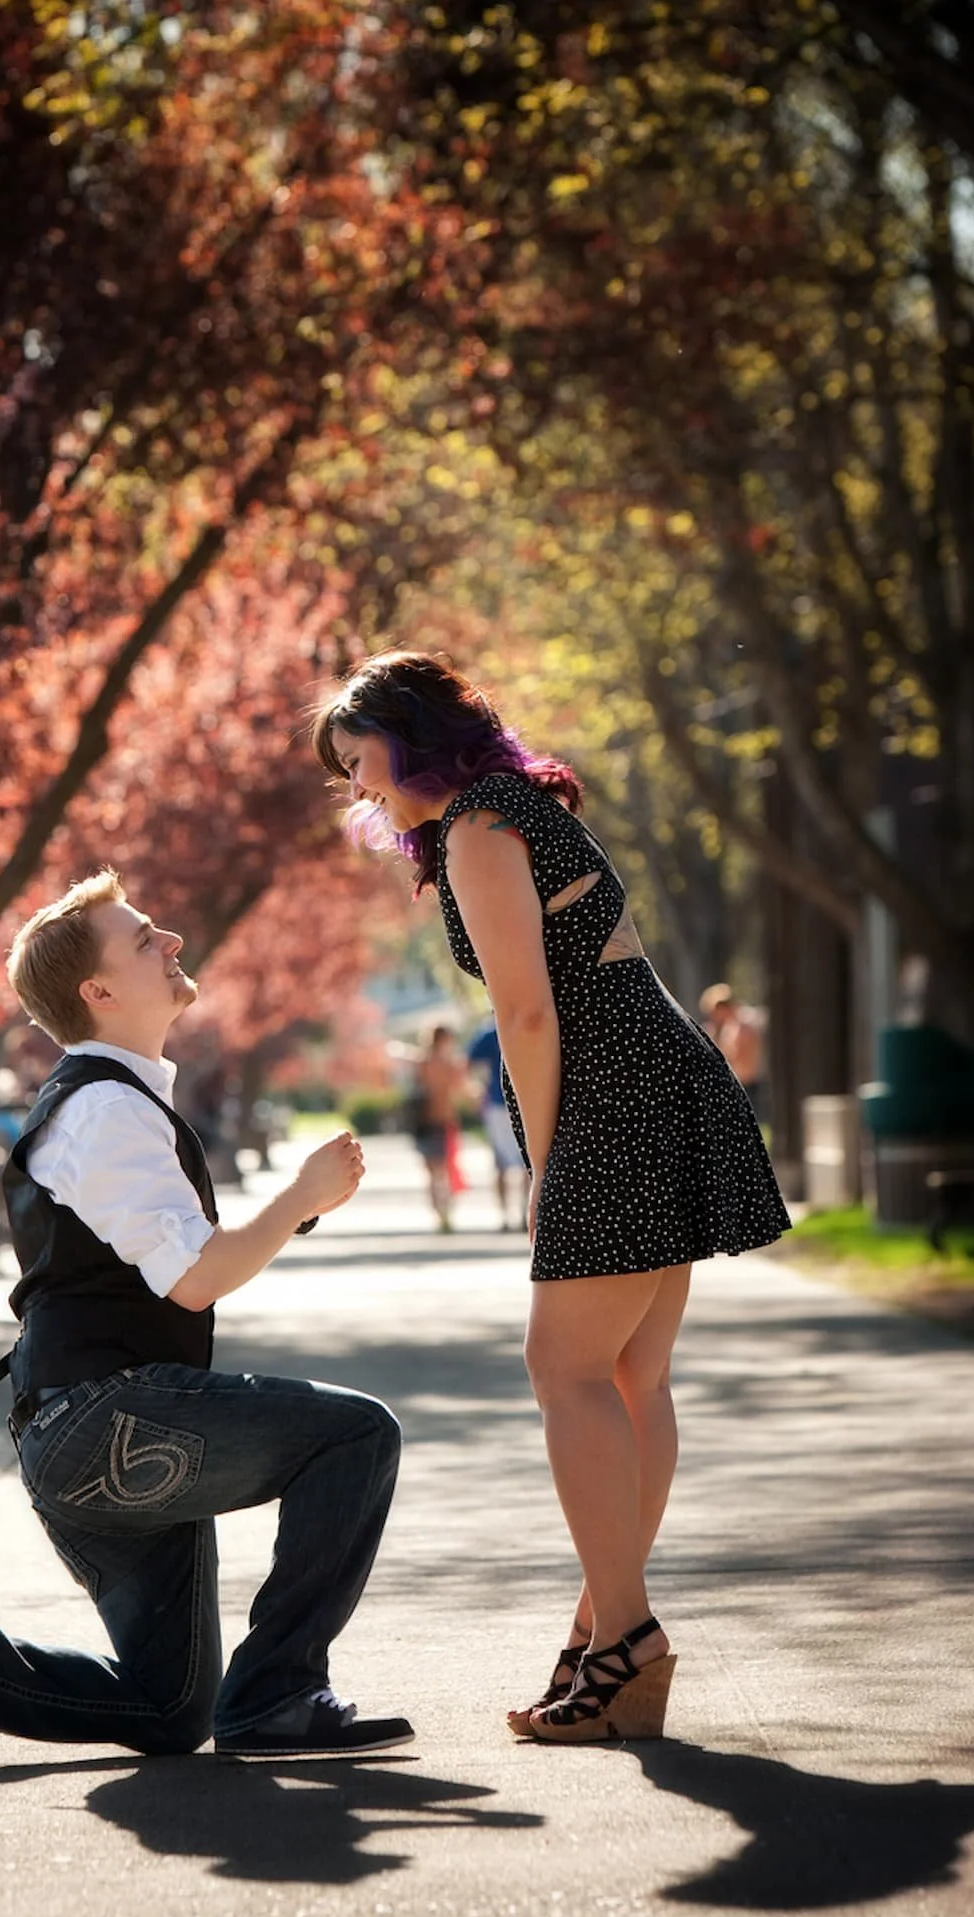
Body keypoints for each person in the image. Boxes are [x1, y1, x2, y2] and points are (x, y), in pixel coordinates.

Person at [313, 653, 790, 1746]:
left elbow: (526, 1015)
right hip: (661, 1064)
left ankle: (623, 1636)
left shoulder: (482, 827)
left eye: (361, 760)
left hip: (613, 1086)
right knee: (632, 1376)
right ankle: (599, 1637)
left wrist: (540, 1157)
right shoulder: (512, 807)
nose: (358, 789)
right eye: (343, 774)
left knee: (565, 1369)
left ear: (414, 734)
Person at [0, 871, 413, 1772]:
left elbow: (184, 1264)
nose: (172, 942)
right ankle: (279, 1694)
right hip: (101, 1423)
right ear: (97, 992)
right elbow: (194, 1278)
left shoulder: (118, 1099)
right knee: (354, 1436)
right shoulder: (104, 1109)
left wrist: (294, 1209)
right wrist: (297, 1197)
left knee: (166, 1708)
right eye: (145, 939)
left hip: (90, 1426)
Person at [467, 1019, 528, 1232]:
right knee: (520, 1162)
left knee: (512, 1163)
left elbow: (469, 1062)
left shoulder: (495, 1028)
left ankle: (515, 1213)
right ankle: (513, 1213)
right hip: (510, 1103)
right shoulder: (494, 1030)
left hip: (509, 1103)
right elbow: (470, 1060)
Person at [412, 1024, 469, 1232]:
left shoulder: (422, 1063)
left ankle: (439, 1215)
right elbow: (462, 1090)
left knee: (432, 1173)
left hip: (423, 1123)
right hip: (444, 1121)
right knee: (445, 1171)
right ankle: (445, 1214)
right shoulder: (449, 1064)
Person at [700, 984, 767, 1121]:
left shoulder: (743, 1025)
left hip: (747, 1083)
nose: (714, 1018)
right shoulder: (731, 1026)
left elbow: (735, 1056)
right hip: (740, 1083)